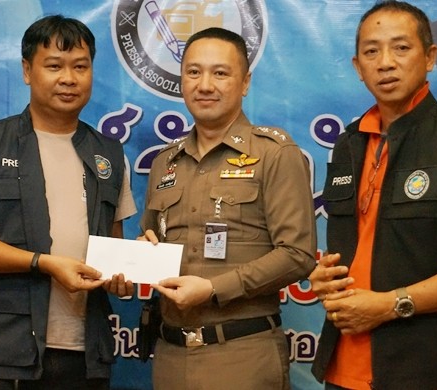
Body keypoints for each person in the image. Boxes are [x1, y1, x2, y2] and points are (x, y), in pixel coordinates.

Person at [310, 2, 437, 389]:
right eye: (372, 51)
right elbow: (360, 247)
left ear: (430, 57)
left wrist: (390, 304)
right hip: (343, 366)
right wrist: (327, 279)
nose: (386, 62)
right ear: (358, 67)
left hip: (426, 369)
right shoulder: (348, 144)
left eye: (401, 48)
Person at [0, 15, 136, 390]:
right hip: (3, 352)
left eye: (81, 66)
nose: (69, 78)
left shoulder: (110, 155)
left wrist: (127, 271)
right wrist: (43, 263)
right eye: (54, 66)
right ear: (27, 71)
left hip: (85, 353)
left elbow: (113, 248)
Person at [138, 27, 316, 390]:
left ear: (245, 82)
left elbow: (298, 255)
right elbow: (152, 239)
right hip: (170, 354)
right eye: (193, 72)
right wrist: (140, 257)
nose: (205, 85)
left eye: (220, 73)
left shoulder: (274, 153)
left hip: (241, 353)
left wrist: (213, 288)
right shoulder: (164, 162)